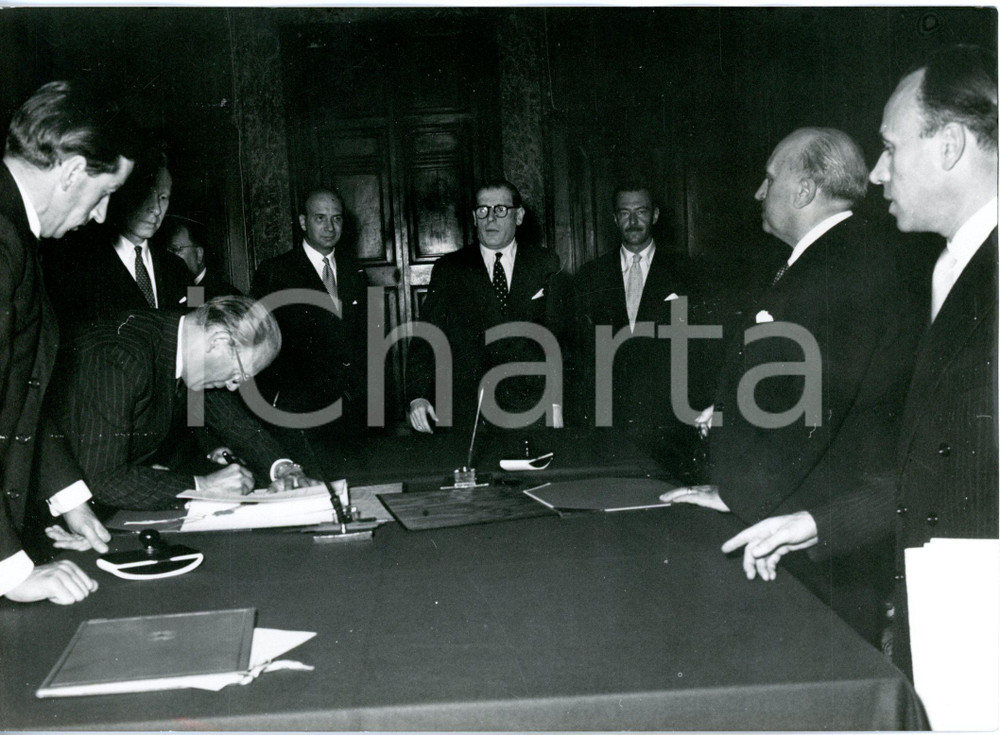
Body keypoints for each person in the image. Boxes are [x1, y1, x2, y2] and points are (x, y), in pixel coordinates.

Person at [719, 45, 997, 676]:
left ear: (950, 145)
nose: (874, 174)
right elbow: (942, 459)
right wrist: (819, 522)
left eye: (891, 148)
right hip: (943, 595)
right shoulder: (950, 265)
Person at [662, 127, 921, 644]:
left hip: (817, 545)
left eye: (770, 178)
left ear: (804, 191)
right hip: (804, 525)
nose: (760, 192)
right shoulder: (831, 259)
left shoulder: (839, 271)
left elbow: (810, 411)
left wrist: (738, 496)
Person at [0, 81, 134, 605]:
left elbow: (19, 386)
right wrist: (11, 571)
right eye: (104, 195)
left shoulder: (15, 232)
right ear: (74, 171)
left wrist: (69, 497)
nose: (100, 216)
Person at [46, 296, 316, 511]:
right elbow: (105, 479)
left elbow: (235, 423)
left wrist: (284, 469)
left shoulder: (180, 345)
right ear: (219, 341)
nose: (234, 386)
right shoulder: (120, 356)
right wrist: (201, 485)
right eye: (238, 374)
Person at [407, 179, 569, 433]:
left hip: (531, 406)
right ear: (474, 217)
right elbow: (427, 335)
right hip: (470, 410)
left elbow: (560, 338)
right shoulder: (450, 269)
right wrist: (418, 396)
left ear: (519, 216)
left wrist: (556, 403)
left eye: (500, 209)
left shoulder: (545, 262)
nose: (490, 218)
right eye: (483, 210)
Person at [571, 183, 709, 465]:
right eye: (624, 213)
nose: (633, 222)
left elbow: (700, 349)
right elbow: (581, 350)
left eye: (641, 212)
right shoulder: (590, 276)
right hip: (609, 419)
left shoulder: (688, 272)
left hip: (669, 419)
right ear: (614, 219)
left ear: (655, 215)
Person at [251, 188, 369, 438]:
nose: (329, 227)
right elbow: (259, 340)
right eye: (320, 218)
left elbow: (364, 341)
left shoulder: (355, 273)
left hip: (350, 409)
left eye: (336, 218)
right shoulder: (276, 271)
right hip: (300, 408)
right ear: (303, 222)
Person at [44, 144, 192, 331]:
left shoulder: (178, 268)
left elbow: (199, 312)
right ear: (123, 195)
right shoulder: (79, 265)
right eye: (147, 195)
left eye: (163, 197)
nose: (155, 209)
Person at [162, 214, 242, 301]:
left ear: (199, 254)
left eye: (176, 249)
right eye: (168, 251)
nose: (170, 257)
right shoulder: (168, 289)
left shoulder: (225, 295)